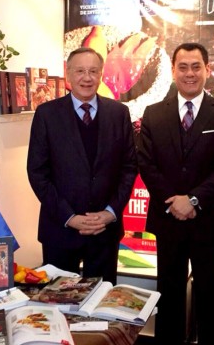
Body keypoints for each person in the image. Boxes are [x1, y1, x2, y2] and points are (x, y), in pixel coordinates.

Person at [137, 42, 214, 345]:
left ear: (208, 70)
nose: (190, 73)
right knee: (168, 294)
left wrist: (194, 200)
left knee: (210, 296)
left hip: (210, 220)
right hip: (168, 218)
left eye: (196, 66)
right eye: (182, 67)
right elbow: (147, 163)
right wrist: (175, 202)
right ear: (173, 71)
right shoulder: (154, 113)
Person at [27, 47, 137, 284]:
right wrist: (70, 217)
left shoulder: (119, 113)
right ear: (68, 75)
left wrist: (110, 213)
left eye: (93, 71)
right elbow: (37, 173)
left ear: (100, 75)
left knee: (101, 305)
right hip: (60, 228)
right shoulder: (46, 114)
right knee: (58, 303)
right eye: (80, 71)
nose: (86, 78)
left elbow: (128, 168)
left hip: (104, 231)